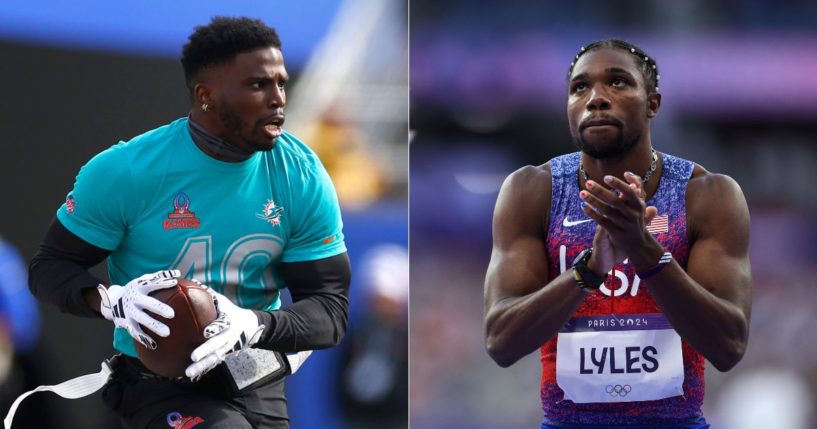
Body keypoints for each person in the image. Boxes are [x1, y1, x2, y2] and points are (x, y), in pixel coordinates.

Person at [27, 16, 351, 429]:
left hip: (252, 373)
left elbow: (331, 309)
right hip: (158, 379)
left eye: (281, 83)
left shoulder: (301, 174)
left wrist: (254, 323)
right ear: (206, 97)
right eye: (258, 85)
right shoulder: (127, 171)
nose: (278, 99)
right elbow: (49, 267)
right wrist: (110, 300)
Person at [484, 39, 752, 428]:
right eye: (580, 88)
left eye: (618, 82)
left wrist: (642, 249)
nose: (596, 98)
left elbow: (728, 347)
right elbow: (501, 342)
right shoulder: (532, 190)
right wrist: (589, 270)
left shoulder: (707, 194)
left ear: (653, 104)